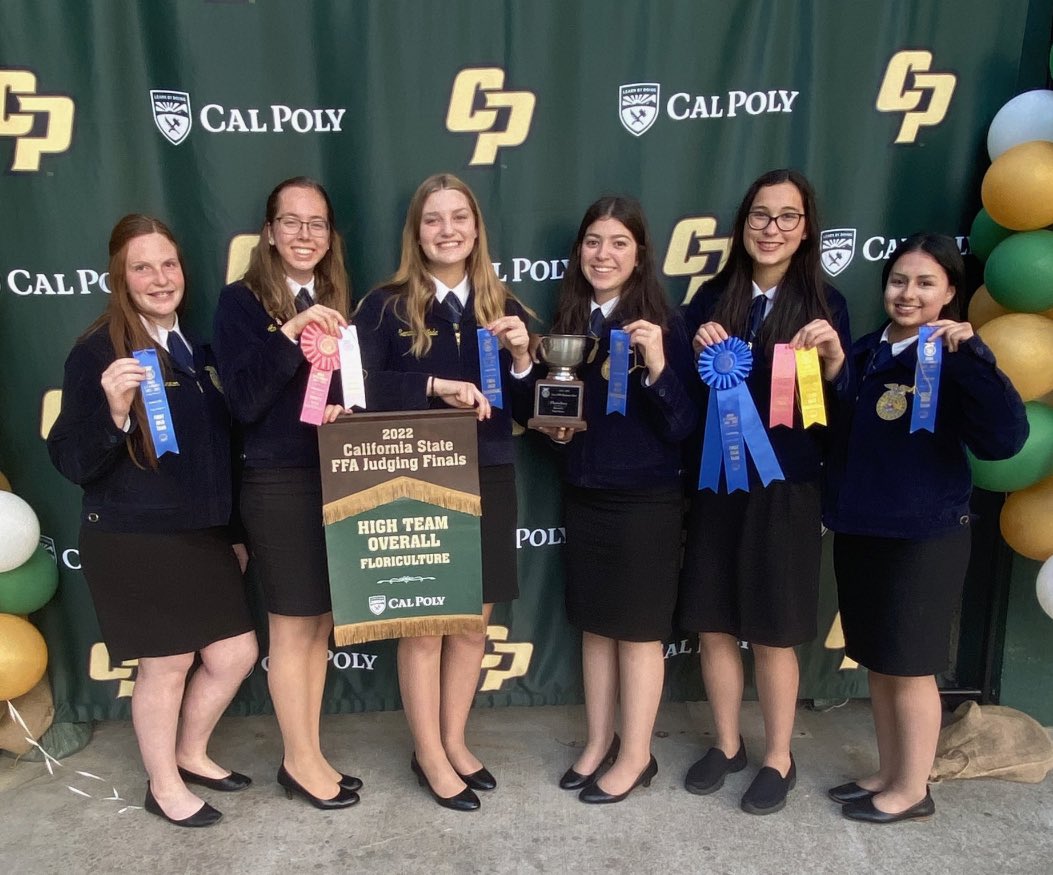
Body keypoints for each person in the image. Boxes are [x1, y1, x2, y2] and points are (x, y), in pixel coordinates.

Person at [47, 214, 258, 828]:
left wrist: (233, 533)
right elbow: (72, 460)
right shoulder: (96, 352)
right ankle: (163, 786)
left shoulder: (195, 350)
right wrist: (113, 412)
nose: (160, 278)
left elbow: (218, 452)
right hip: (132, 534)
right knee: (165, 665)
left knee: (235, 654)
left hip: (201, 532)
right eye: (142, 267)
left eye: (169, 264)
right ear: (120, 277)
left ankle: (190, 752)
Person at [824, 233, 1027, 823]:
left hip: (924, 536)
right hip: (862, 528)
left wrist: (979, 359)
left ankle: (913, 790)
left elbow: (1004, 440)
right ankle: (891, 771)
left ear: (949, 293)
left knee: (911, 666)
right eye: (898, 280)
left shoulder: (958, 357)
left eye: (925, 283)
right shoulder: (866, 352)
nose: (908, 293)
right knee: (879, 660)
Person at [355, 173, 533, 811]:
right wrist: (431, 387)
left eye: (460, 217)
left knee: (472, 625)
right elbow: (356, 388)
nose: (448, 230)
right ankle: (428, 752)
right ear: (416, 232)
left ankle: (454, 739)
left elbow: (530, 411)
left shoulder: (503, 306)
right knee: (426, 623)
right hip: (417, 475)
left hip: (489, 471)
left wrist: (522, 360)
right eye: (433, 219)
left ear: (477, 228)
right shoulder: (384, 306)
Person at [678, 169, 850, 814]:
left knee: (775, 631)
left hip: (786, 487)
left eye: (787, 217)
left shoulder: (826, 307)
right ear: (743, 222)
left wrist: (835, 366)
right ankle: (727, 744)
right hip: (717, 484)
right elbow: (680, 400)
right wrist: (692, 348)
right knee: (715, 623)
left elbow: (839, 418)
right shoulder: (708, 300)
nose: (771, 229)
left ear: (806, 229)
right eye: (759, 215)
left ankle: (779, 756)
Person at [541, 195, 698, 804]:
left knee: (636, 634)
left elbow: (684, 427)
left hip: (645, 502)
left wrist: (657, 366)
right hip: (586, 495)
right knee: (596, 628)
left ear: (640, 254)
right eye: (593, 241)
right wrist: (557, 431)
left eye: (618, 243)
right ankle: (597, 740)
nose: (603, 254)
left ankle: (637, 755)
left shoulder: (666, 325)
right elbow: (564, 412)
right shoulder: (570, 324)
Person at [212, 177, 361, 810]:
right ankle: (298, 761)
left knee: (320, 625)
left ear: (330, 236)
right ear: (270, 232)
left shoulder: (338, 299)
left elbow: (349, 389)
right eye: (292, 222)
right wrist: (292, 329)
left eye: (317, 223)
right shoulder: (240, 303)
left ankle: (310, 751)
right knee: (293, 627)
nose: (305, 234)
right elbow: (244, 402)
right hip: (277, 485)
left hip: (334, 477)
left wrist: (349, 414)